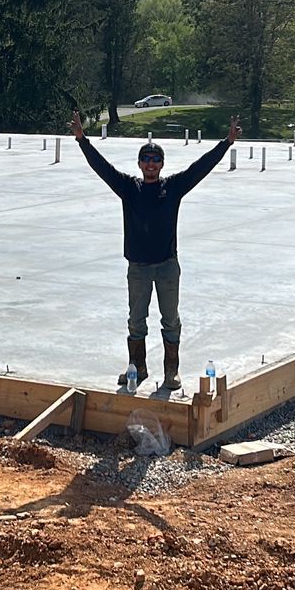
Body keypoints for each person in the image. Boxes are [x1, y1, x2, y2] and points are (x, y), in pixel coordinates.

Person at [71, 109, 240, 392]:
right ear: (139, 163)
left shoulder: (172, 187)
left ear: (162, 164)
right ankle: (137, 368)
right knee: (136, 322)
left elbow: (200, 167)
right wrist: (82, 140)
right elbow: (101, 167)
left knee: (170, 319)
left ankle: (171, 371)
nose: (151, 164)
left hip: (166, 266)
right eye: (146, 159)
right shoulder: (128, 187)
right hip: (137, 267)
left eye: (156, 160)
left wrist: (226, 143)